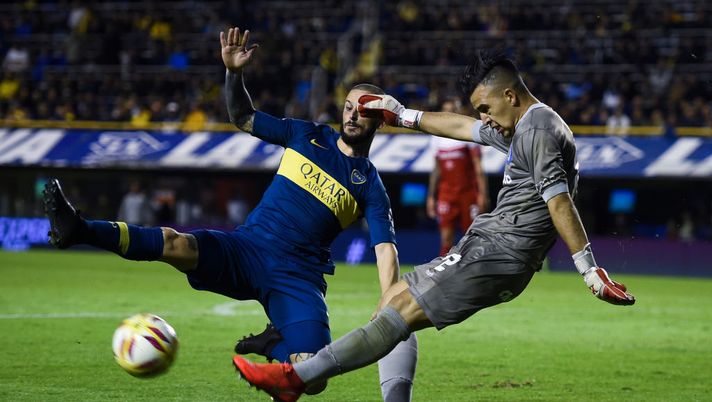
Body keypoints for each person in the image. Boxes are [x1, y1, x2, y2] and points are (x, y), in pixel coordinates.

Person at [230, 48, 636, 402]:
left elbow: (559, 200)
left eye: (486, 109)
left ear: (510, 96)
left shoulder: (539, 131)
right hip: (489, 243)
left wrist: (589, 269)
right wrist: (404, 115)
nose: (485, 120)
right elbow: (461, 128)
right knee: (392, 304)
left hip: (501, 252)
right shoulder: (522, 125)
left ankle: (294, 377)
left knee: (399, 309)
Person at [42, 27, 417, 400]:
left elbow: (386, 250)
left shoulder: (369, 184)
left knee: (313, 376)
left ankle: (273, 343)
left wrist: (389, 302)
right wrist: (233, 73)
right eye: (349, 106)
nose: (353, 115)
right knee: (177, 244)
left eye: (365, 110)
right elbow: (243, 116)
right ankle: (78, 229)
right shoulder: (307, 135)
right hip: (247, 249)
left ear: (380, 119)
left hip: (297, 277)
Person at [427, 98, 489, 256]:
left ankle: (474, 274)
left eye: (452, 109)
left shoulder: (467, 132)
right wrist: (431, 197)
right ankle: (443, 276)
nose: (449, 113)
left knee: (472, 238)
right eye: (446, 110)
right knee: (446, 239)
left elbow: (478, 167)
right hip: (446, 194)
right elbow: (436, 170)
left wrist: (482, 194)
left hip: (468, 194)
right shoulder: (436, 138)